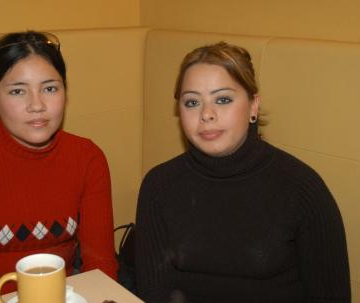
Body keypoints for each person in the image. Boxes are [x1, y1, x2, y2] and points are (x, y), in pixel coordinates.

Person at [135, 41, 351, 303]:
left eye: (223, 99)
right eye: (192, 102)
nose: (207, 114)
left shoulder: (302, 189)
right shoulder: (159, 186)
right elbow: (154, 292)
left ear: (253, 106)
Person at [0, 31, 118, 303]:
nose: (37, 105)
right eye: (18, 91)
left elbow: (100, 271)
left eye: (50, 88)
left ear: (65, 93)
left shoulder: (87, 158)